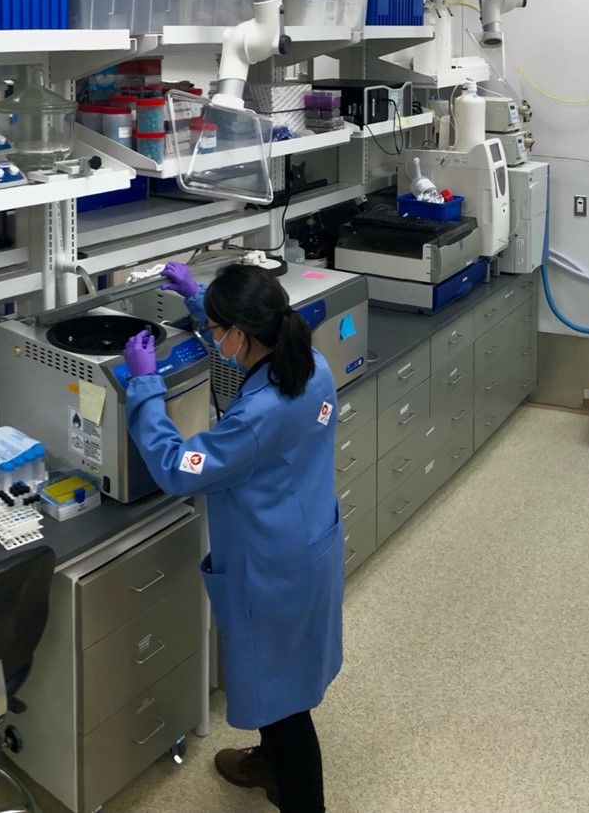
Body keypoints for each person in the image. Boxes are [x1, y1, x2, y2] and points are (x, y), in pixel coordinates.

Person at [121, 260, 346, 813]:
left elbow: (178, 467)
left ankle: (302, 801)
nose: (217, 337)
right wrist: (202, 305)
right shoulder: (309, 364)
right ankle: (268, 763)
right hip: (309, 543)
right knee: (284, 682)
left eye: (222, 329)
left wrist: (145, 387)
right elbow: (240, 350)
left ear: (242, 334)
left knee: (288, 705)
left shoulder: (257, 417)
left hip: (272, 569)